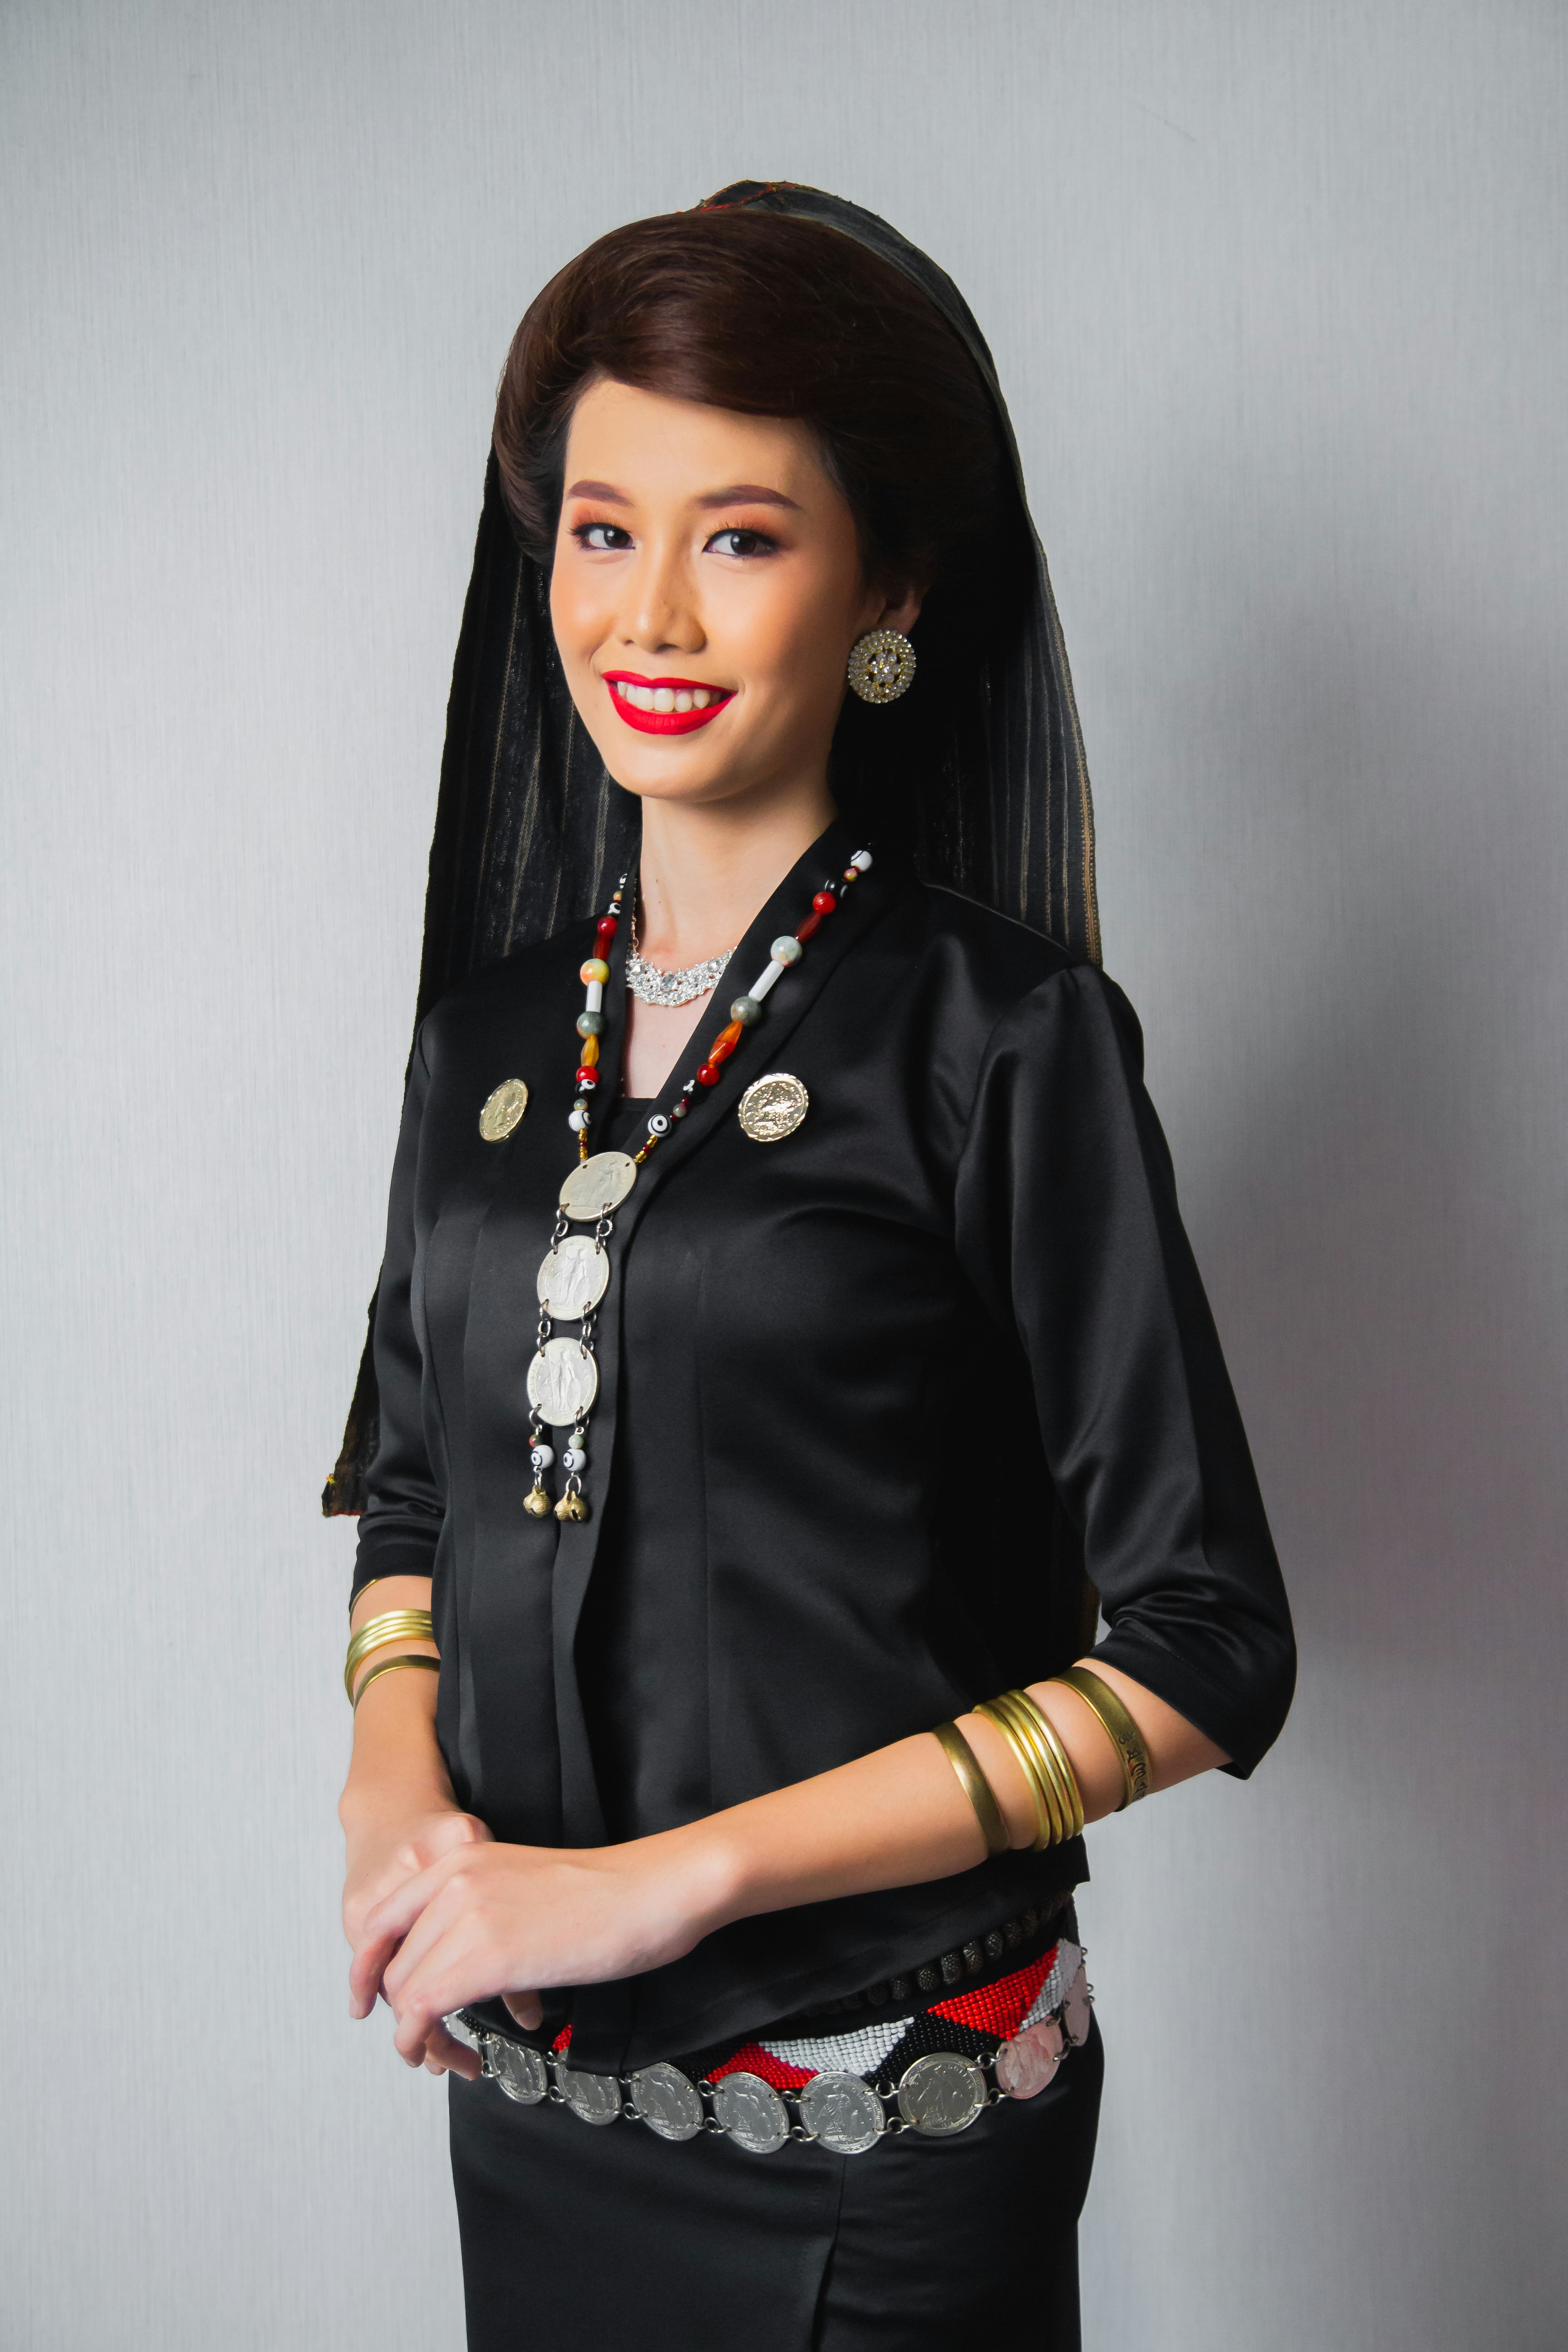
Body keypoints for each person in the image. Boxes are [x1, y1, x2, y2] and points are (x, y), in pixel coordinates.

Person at [328, 181, 1294, 2352]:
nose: (650, 612)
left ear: (891, 591)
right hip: (532, 2103)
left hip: (883, 2121)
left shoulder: (1004, 1039)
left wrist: (663, 1882)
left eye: (743, 536)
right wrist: (393, 1794)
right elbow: (411, 1492)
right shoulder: (486, 1044)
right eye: (602, 528)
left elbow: (1211, 1644)